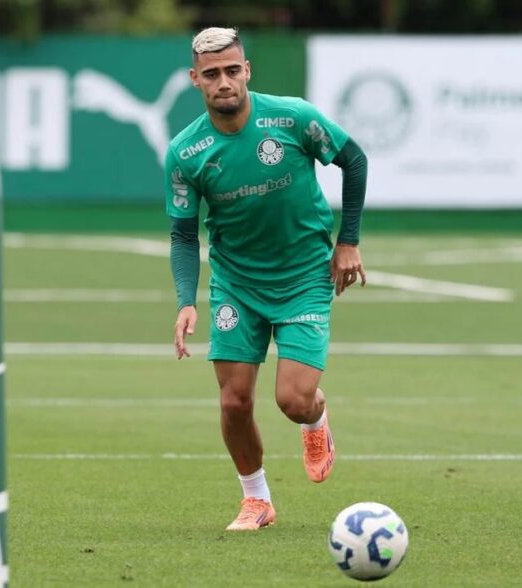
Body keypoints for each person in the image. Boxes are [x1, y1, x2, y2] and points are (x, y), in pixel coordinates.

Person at [165, 27, 368, 531]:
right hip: (237, 283)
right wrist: (186, 300)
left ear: (247, 70)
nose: (224, 82)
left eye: (233, 70)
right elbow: (184, 236)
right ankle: (257, 500)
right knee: (234, 400)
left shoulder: (293, 118)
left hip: (303, 276)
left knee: (293, 400)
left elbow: (354, 159)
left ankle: (316, 421)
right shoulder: (186, 153)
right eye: (211, 74)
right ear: (196, 80)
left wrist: (348, 242)